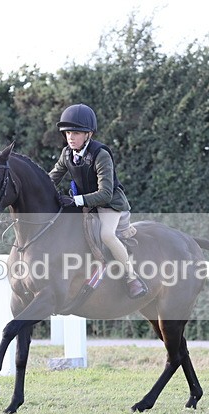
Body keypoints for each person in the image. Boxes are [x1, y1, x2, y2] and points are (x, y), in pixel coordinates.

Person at [49, 103, 148, 299]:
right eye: (67, 133)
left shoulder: (100, 155)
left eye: (76, 133)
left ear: (89, 134)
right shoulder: (67, 154)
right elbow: (52, 178)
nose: (70, 137)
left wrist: (76, 200)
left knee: (107, 235)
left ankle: (132, 278)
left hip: (109, 204)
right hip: (86, 205)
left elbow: (105, 194)